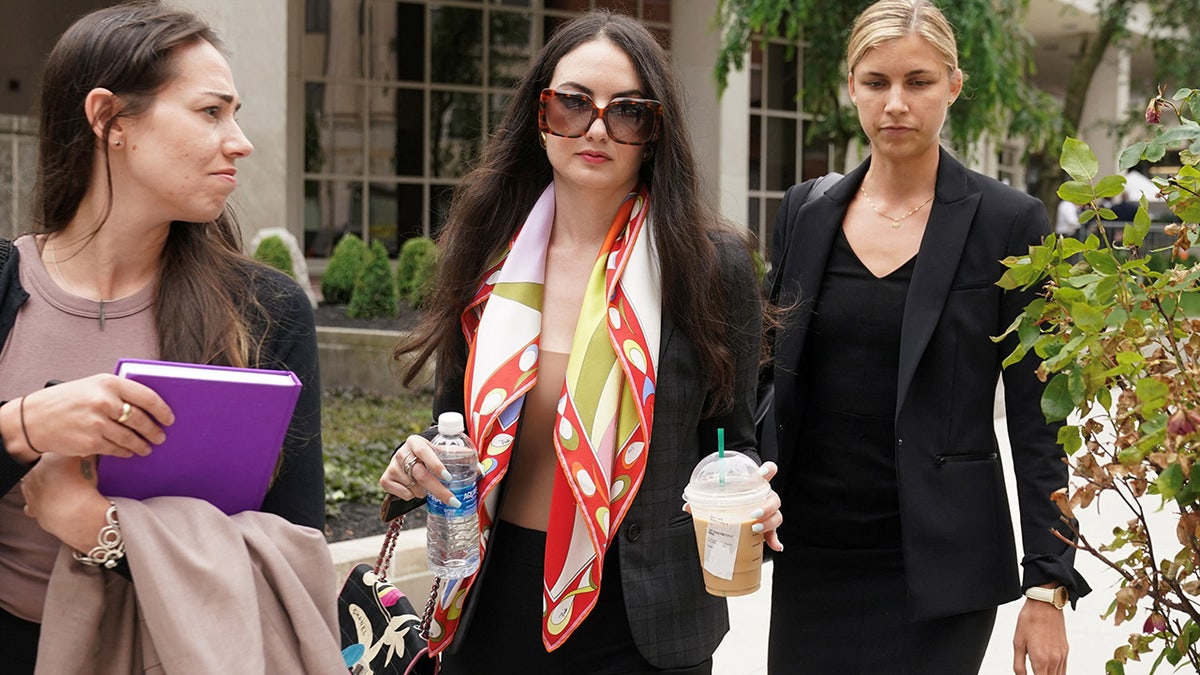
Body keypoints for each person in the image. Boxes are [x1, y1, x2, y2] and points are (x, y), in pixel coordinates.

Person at [379, 10, 781, 673]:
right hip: (492, 596)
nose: (595, 128)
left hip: (643, 613)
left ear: (654, 132)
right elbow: (451, 422)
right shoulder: (487, 254)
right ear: (539, 117)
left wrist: (747, 492)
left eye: (626, 111)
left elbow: (729, 438)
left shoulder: (711, 266)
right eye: (571, 104)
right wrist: (413, 467)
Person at [0, 3, 343, 672]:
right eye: (210, 112)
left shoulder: (265, 309)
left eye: (235, 113)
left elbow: (294, 555)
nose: (239, 139)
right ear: (109, 119)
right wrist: (21, 426)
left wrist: (103, 532)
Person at [763, 2, 1089, 674]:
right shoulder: (804, 211)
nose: (896, 104)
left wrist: (1047, 583)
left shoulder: (1009, 221)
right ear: (851, 86)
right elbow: (766, 375)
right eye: (876, 82)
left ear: (953, 86)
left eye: (918, 81)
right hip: (815, 558)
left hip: (944, 566)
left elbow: (1038, 418)